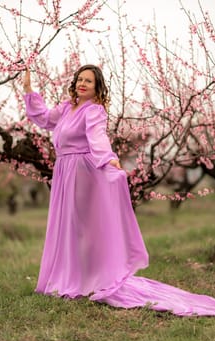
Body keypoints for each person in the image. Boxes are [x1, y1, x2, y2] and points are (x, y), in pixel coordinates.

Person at [23, 64, 215, 316]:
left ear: (97, 87)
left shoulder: (94, 111)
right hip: (63, 171)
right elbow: (44, 118)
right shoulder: (67, 108)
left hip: (82, 172)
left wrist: (108, 159)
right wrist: (29, 91)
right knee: (67, 227)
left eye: (88, 81)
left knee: (82, 228)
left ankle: (89, 281)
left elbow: (97, 136)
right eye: (80, 79)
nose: (82, 84)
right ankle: (70, 279)